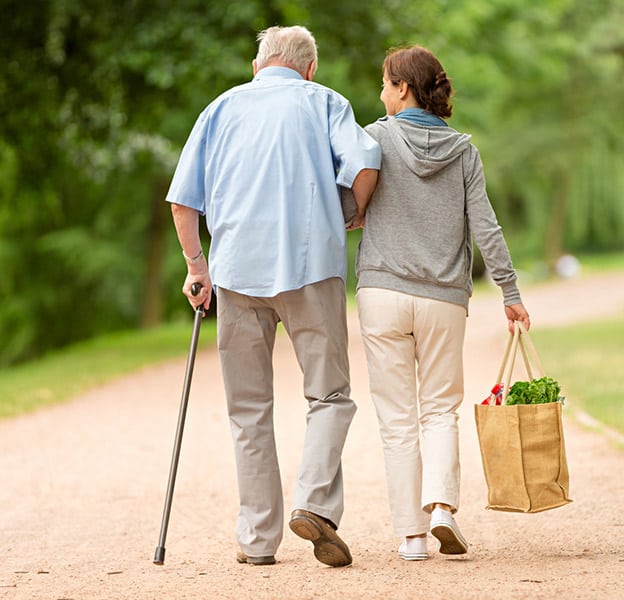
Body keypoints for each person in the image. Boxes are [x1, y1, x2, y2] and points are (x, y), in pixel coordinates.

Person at [166, 25, 380, 568]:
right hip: (311, 269)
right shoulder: (326, 102)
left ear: (258, 64)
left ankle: (258, 542)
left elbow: (183, 203)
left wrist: (198, 266)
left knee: (248, 410)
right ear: (308, 68)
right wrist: (350, 213)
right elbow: (366, 163)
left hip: (237, 274)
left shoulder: (220, 108)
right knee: (330, 396)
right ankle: (313, 503)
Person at [354, 45, 530, 561]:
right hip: (443, 301)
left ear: (403, 89)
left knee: (396, 418)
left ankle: (410, 536)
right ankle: (443, 510)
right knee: (438, 411)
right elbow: (487, 229)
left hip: (383, 292)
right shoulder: (464, 152)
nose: (381, 93)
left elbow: (348, 204)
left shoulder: (375, 138)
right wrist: (510, 293)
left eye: (386, 84)